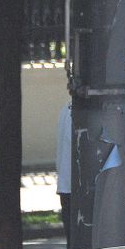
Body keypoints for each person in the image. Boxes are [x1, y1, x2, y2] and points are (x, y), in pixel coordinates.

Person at [55, 101, 72, 241]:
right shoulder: (81, 112)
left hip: (66, 183)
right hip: (78, 186)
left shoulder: (65, 109)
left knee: (72, 242)